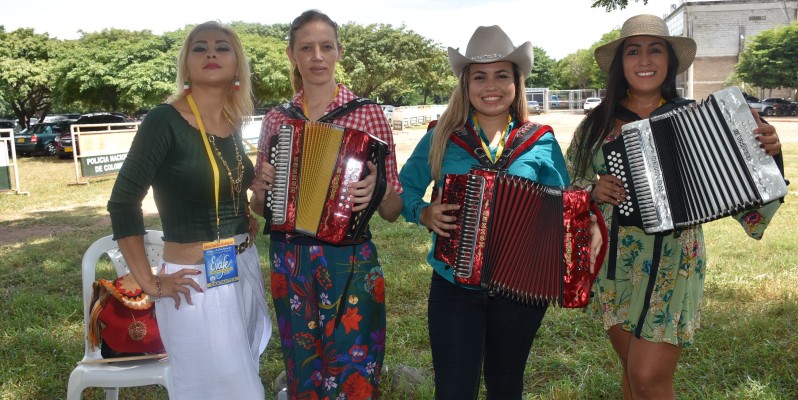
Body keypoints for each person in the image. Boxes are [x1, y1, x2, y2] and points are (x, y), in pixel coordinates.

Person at [565, 14, 783, 399]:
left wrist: (768, 153)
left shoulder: (700, 118)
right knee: (632, 374)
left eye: (655, 50)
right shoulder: (595, 124)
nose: (644, 60)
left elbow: (750, 188)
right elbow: (564, 186)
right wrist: (592, 190)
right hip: (614, 262)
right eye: (633, 52)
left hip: (674, 259)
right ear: (621, 64)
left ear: (669, 61)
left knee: (648, 377)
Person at [399, 25, 602, 400]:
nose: (490, 85)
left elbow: (566, 206)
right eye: (480, 76)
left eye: (501, 75)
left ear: (516, 83)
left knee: (506, 385)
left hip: (521, 288)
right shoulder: (441, 136)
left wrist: (587, 223)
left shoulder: (540, 141)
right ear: (466, 84)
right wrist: (423, 212)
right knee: (454, 390)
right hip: (453, 283)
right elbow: (404, 187)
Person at [107, 21, 271, 399]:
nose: (210, 53)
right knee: (227, 390)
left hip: (241, 268)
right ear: (186, 64)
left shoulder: (231, 124)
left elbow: (236, 202)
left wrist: (256, 189)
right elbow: (122, 201)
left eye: (222, 47)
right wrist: (150, 282)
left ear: (237, 67)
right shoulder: (164, 120)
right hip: (195, 281)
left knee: (241, 376)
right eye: (199, 48)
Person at [249, 9, 403, 399]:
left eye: (326, 46)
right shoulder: (276, 120)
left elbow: (392, 210)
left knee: (355, 361)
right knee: (302, 365)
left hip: (349, 259)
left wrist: (379, 188)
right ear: (292, 55)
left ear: (338, 52)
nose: (317, 56)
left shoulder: (367, 113)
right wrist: (263, 187)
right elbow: (257, 206)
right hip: (290, 258)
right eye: (307, 48)